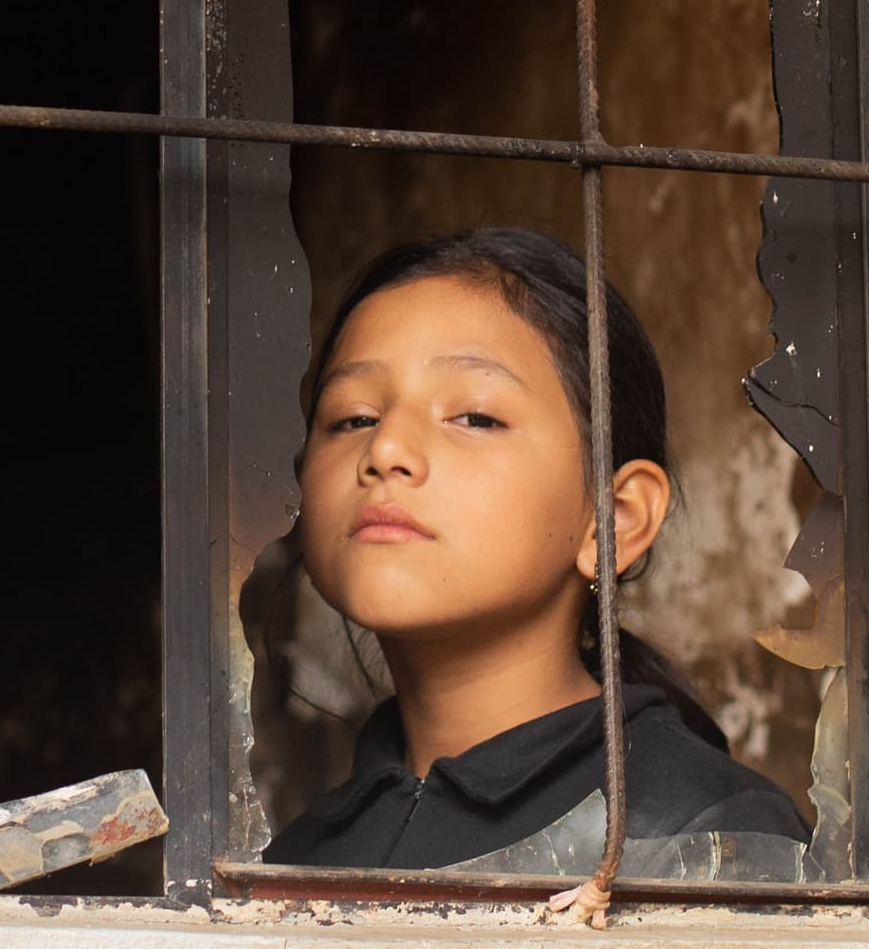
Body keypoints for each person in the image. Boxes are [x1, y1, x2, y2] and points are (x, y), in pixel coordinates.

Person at [261, 227, 812, 875]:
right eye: (352, 418)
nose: (384, 452)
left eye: (473, 417)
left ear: (613, 521)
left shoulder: (706, 837)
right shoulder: (296, 858)